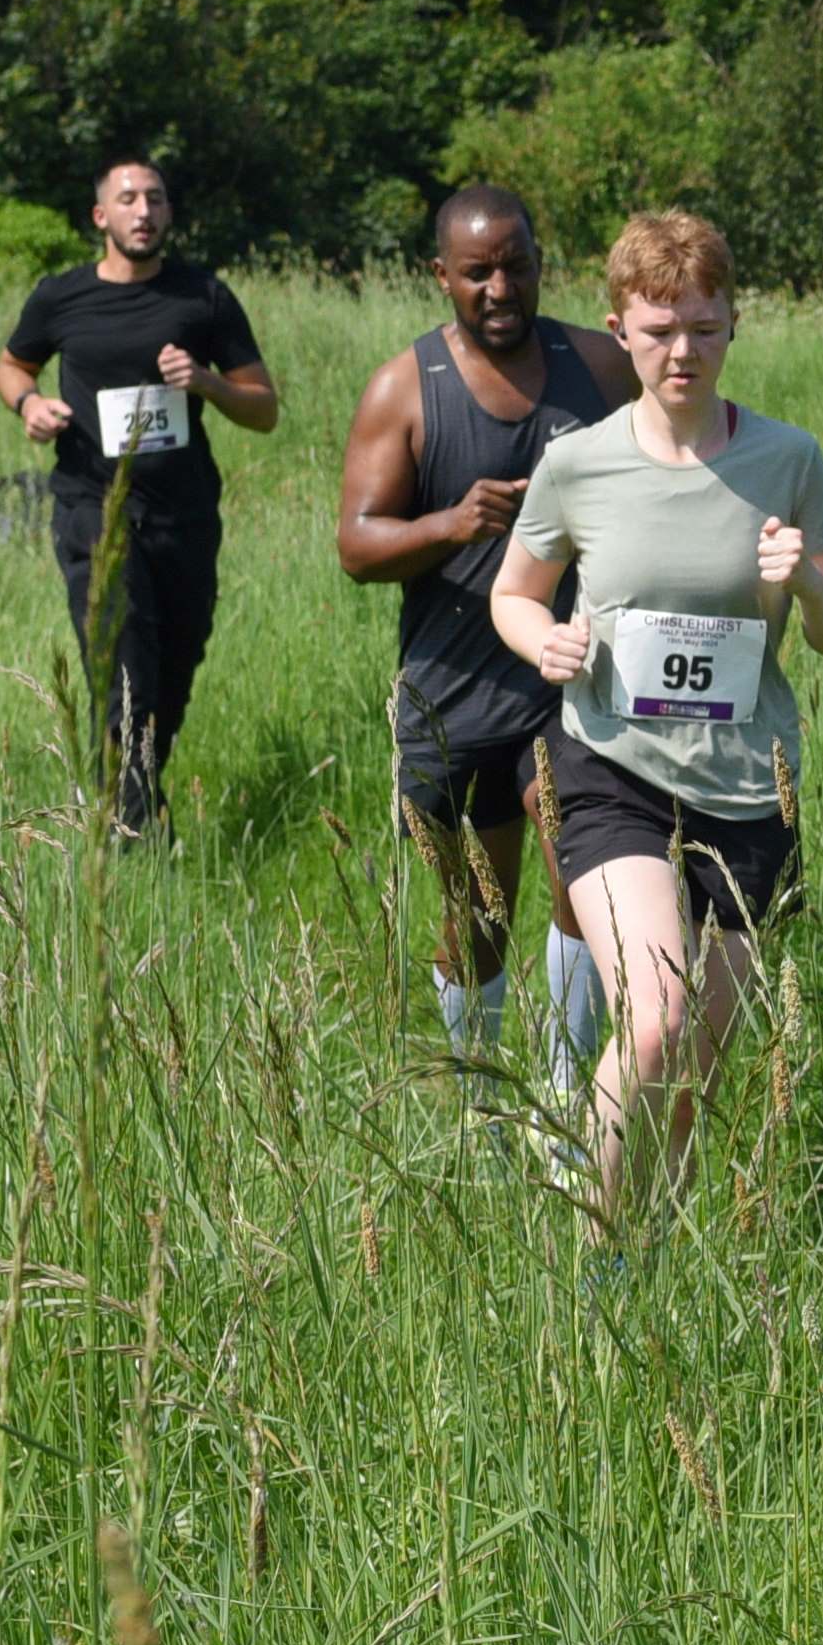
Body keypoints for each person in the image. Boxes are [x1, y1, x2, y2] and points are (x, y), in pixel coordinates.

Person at [488, 210, 823, 1220]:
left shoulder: (788, 459)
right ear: (619, 330)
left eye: (702, 327)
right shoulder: (580, 463)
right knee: (654, 1020)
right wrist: (543, 641)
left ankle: (639, 1228)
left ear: (733, 323)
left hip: (749, 787)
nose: (682, 351)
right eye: (658, 331)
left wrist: (810, 587)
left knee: (688, 1074)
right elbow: (514, 594)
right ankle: (596, 1254)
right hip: (611, 767)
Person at [335, 186, 633, 1082]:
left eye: (516, 265)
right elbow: (356, 544)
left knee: (578, 861)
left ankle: (568, 1088)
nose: (500, 287)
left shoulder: (601, 365)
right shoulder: (405, 387)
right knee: (479, 913)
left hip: (570, 676)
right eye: (477, 272)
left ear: (542, 263)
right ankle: (480, 1090)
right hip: (453, 688)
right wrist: (450, 525)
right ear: (441, 276)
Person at [0, 161, 279, 836]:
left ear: (168, 213)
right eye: (127, 199)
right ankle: (129, 826)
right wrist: (29, 403)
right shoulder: (61, 297)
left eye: (154, 199)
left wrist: (206, 381)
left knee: (175, 666)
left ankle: (138, 791)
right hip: (93, 506)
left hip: (183, 513)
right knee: (125, 667)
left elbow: (264, 408)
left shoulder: (203, 296)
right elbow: (12, 364)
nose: (142, 210)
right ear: (102, 218)